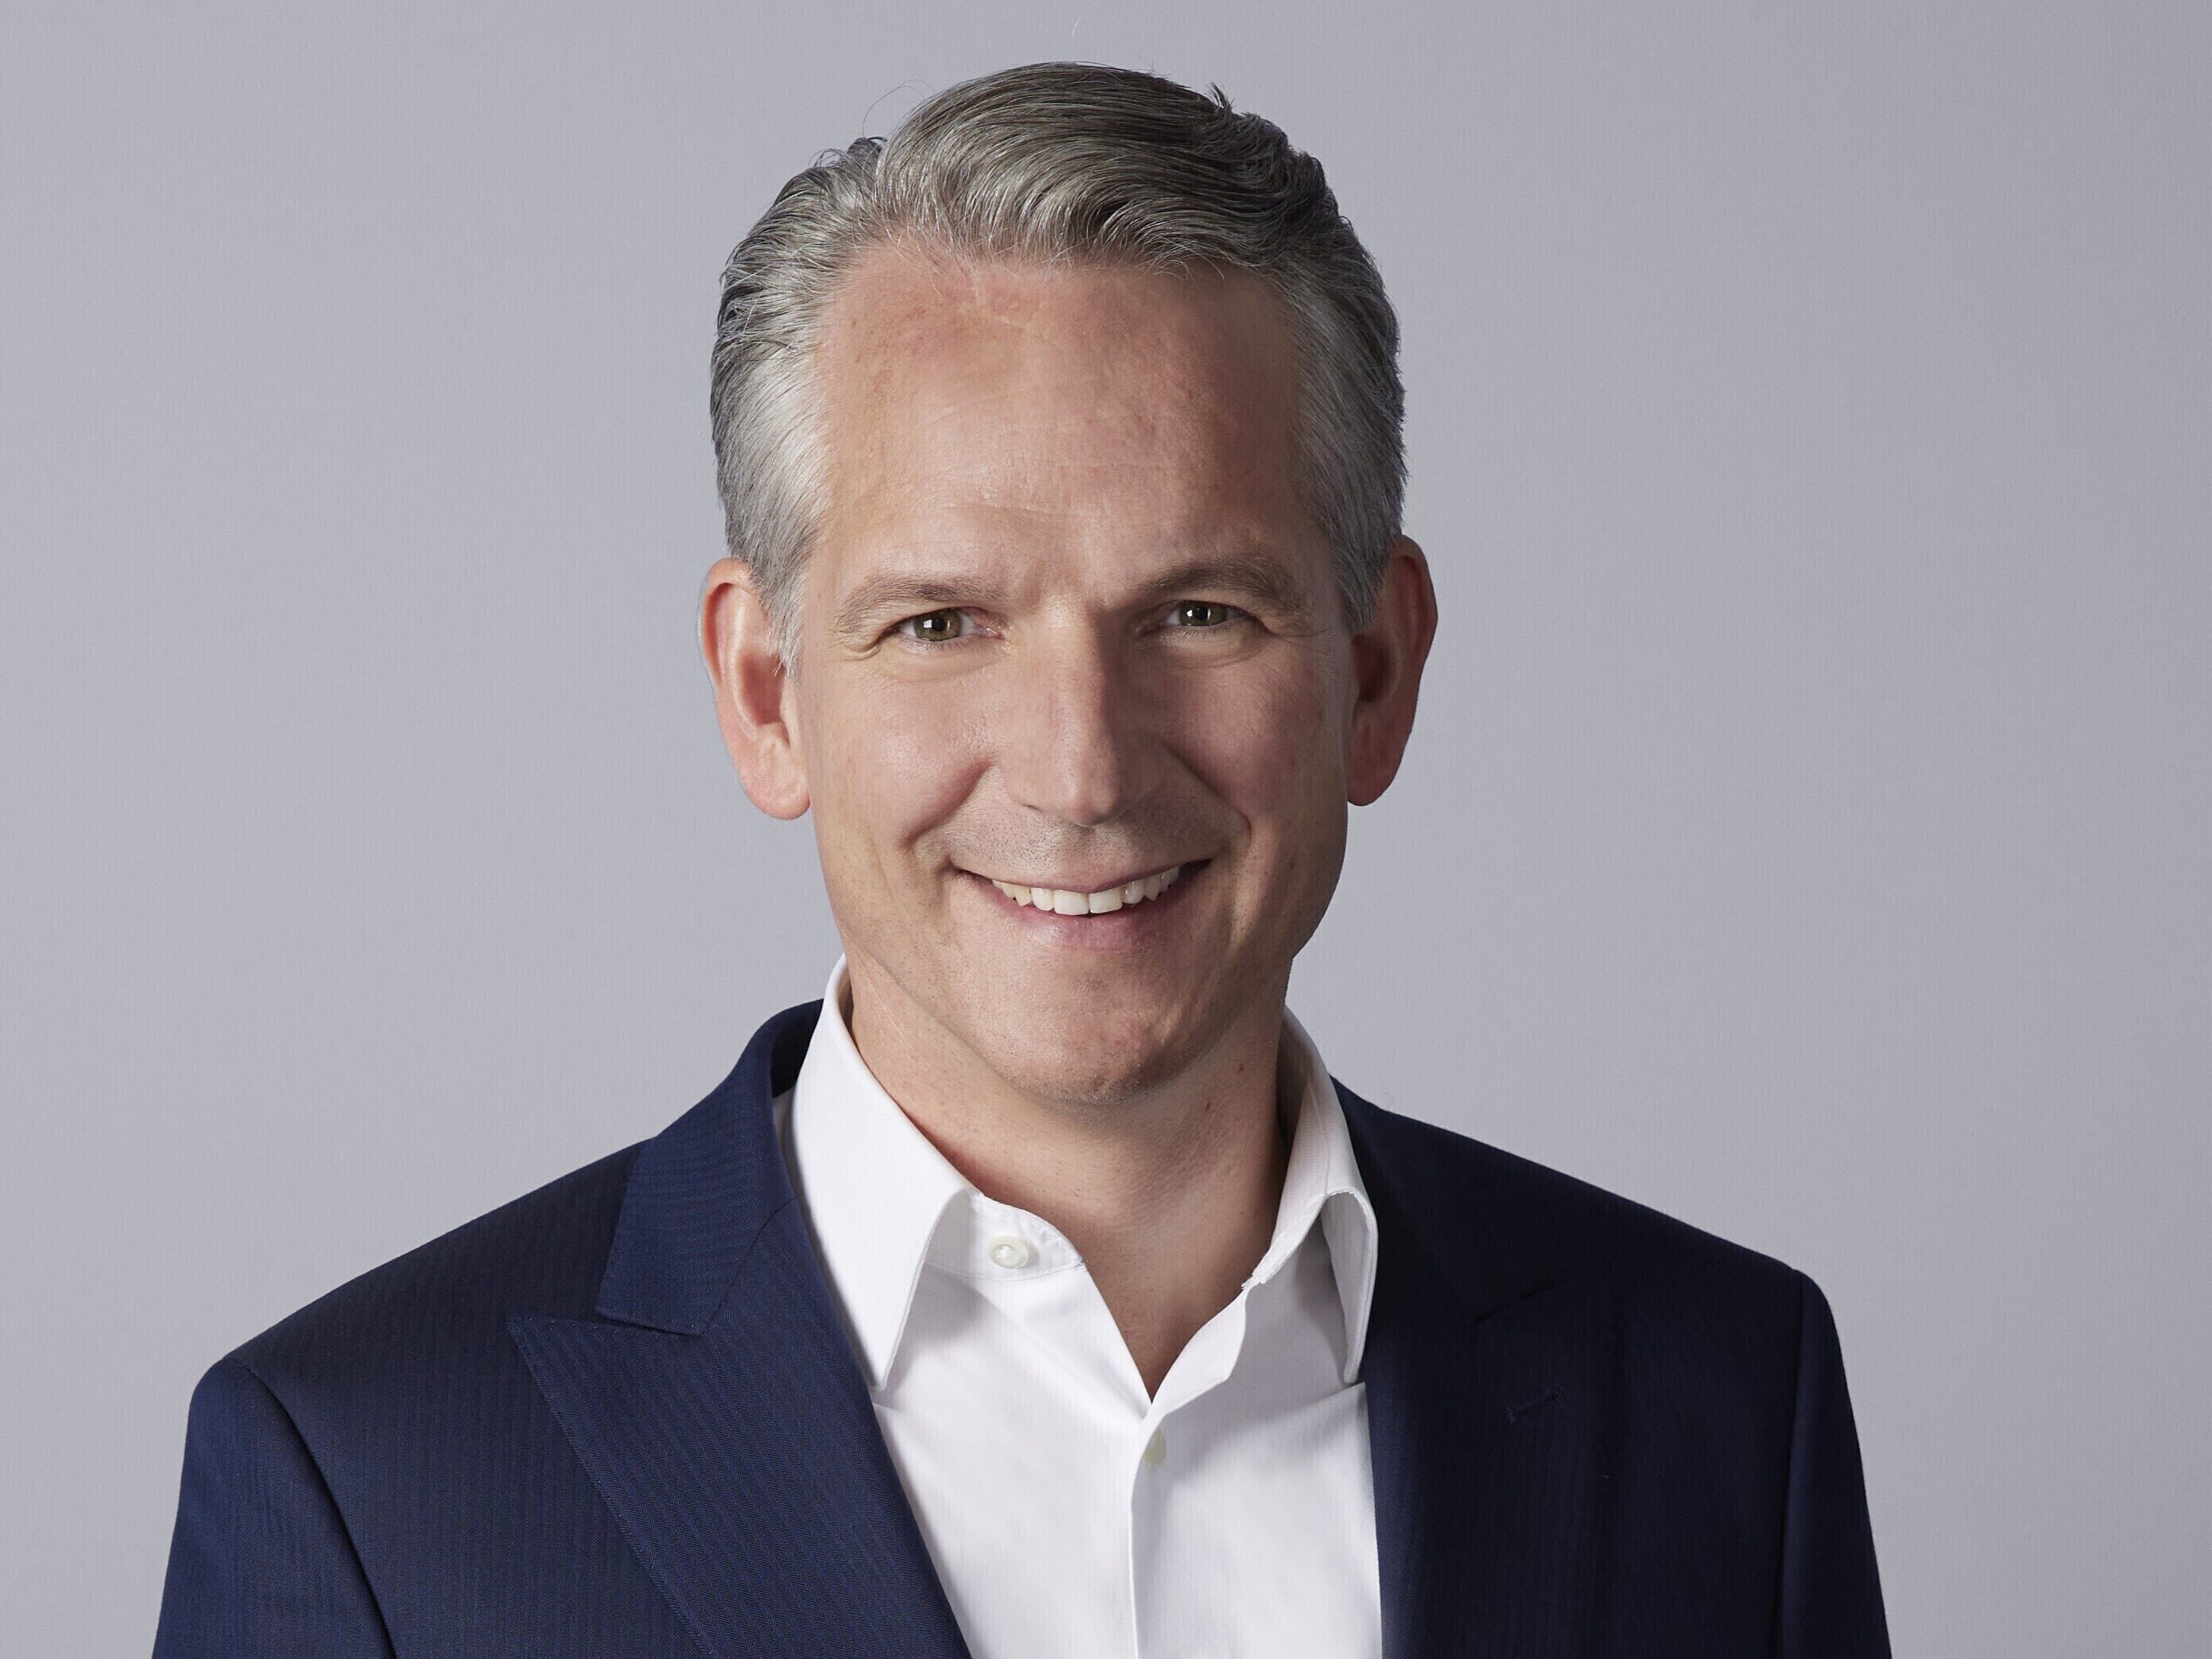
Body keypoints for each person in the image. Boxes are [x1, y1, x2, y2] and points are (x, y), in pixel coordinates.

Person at [152, 61, 1890, 1658]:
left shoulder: (1727, 1400)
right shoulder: (364, 1485)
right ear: (766, 696)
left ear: (1374, 674)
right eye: (941, 624)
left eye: (1198, 612)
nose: (1080, 771)